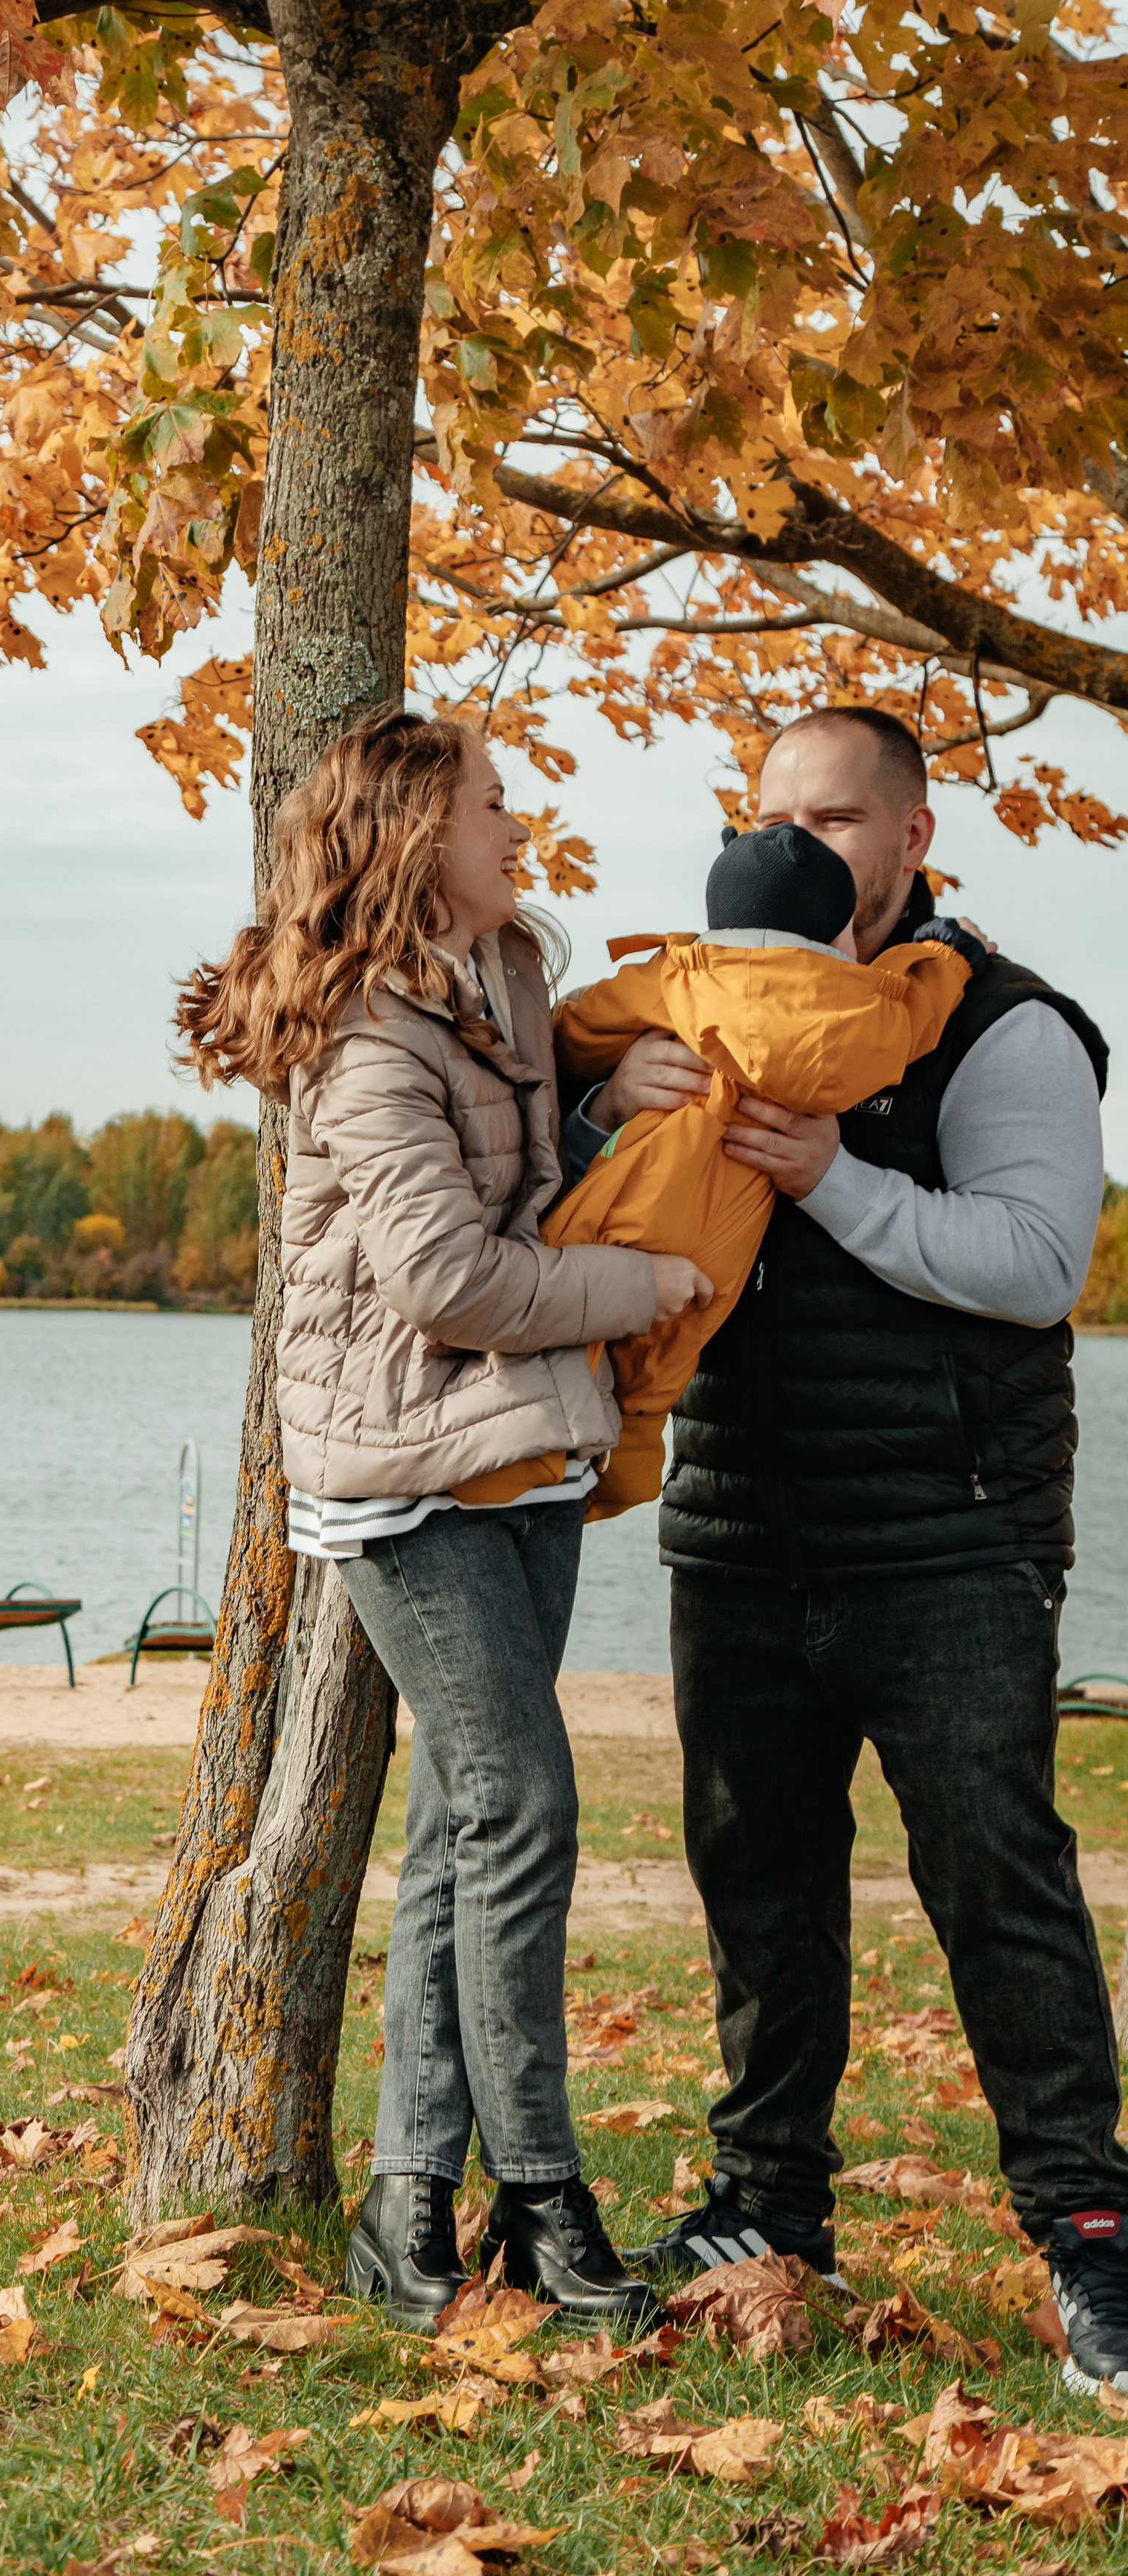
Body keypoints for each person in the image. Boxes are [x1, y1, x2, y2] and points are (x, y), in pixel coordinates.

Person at [558, 705, 1122, 2395]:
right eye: (773, 811)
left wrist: (826, 1176)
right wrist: (615, 1104)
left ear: (909, 831)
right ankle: (765, 2207)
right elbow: (623, 1207)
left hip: (945, 1539)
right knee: (757, 1882)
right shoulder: (710, 1013)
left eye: (837, 813)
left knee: (994, 1879)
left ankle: (1088, 2234)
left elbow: (1033, 1266)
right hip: (738, 1527)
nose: (806, 840)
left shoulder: (1002, 1028)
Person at [176, 703, 709, 2331]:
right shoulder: (363, 1038)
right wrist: (645, 1287)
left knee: (463, 1830)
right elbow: (447, 1277)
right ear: (413, 837)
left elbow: (519, 1188)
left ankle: (409, 2205)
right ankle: (539, 2196)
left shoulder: (508, 985)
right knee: (523, 1807)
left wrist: (613, 1101)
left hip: (524, 1459)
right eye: (488, 799)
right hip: (405, 1480)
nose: (513, 818)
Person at [543, 819, 979, 1513]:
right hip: (725, 1235)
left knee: (574, 1305)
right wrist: (948, 957)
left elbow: (576, 1028)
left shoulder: (680, 978)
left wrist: (595, 1067)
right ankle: (620, 1473)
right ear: (839, 933)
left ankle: (546, 1465)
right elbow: (917, 1011)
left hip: (639, 1193)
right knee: (661, 1371)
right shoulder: (863, 1014)